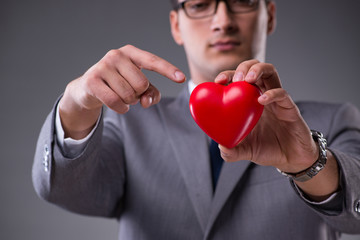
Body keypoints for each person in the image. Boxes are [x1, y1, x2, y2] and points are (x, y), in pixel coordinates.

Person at [32, 0, 360, 239]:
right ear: (176, 25)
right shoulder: (130, 122)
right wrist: (77, 105)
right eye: (201, 4)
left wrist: (309, 163)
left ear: (269, 15)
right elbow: (65, 190)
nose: (222, 20)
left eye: (242, 2)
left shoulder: (330, 120)